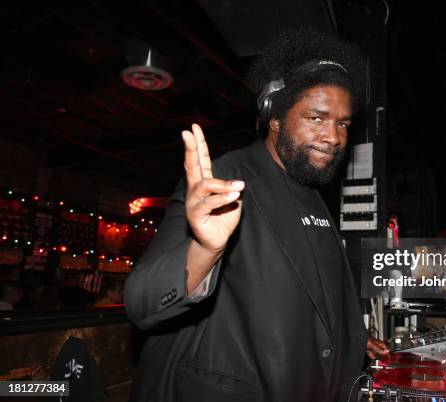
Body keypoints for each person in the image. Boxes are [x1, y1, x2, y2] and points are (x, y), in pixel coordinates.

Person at [124, 28, 388, 402]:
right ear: (275, 118)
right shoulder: (224, 179)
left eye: (342, 123)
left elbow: (313, 297)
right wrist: (205, 249)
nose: (333, 136)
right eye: (316, 118)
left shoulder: (314, 196)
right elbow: (142, 301)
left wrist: (350, 340)